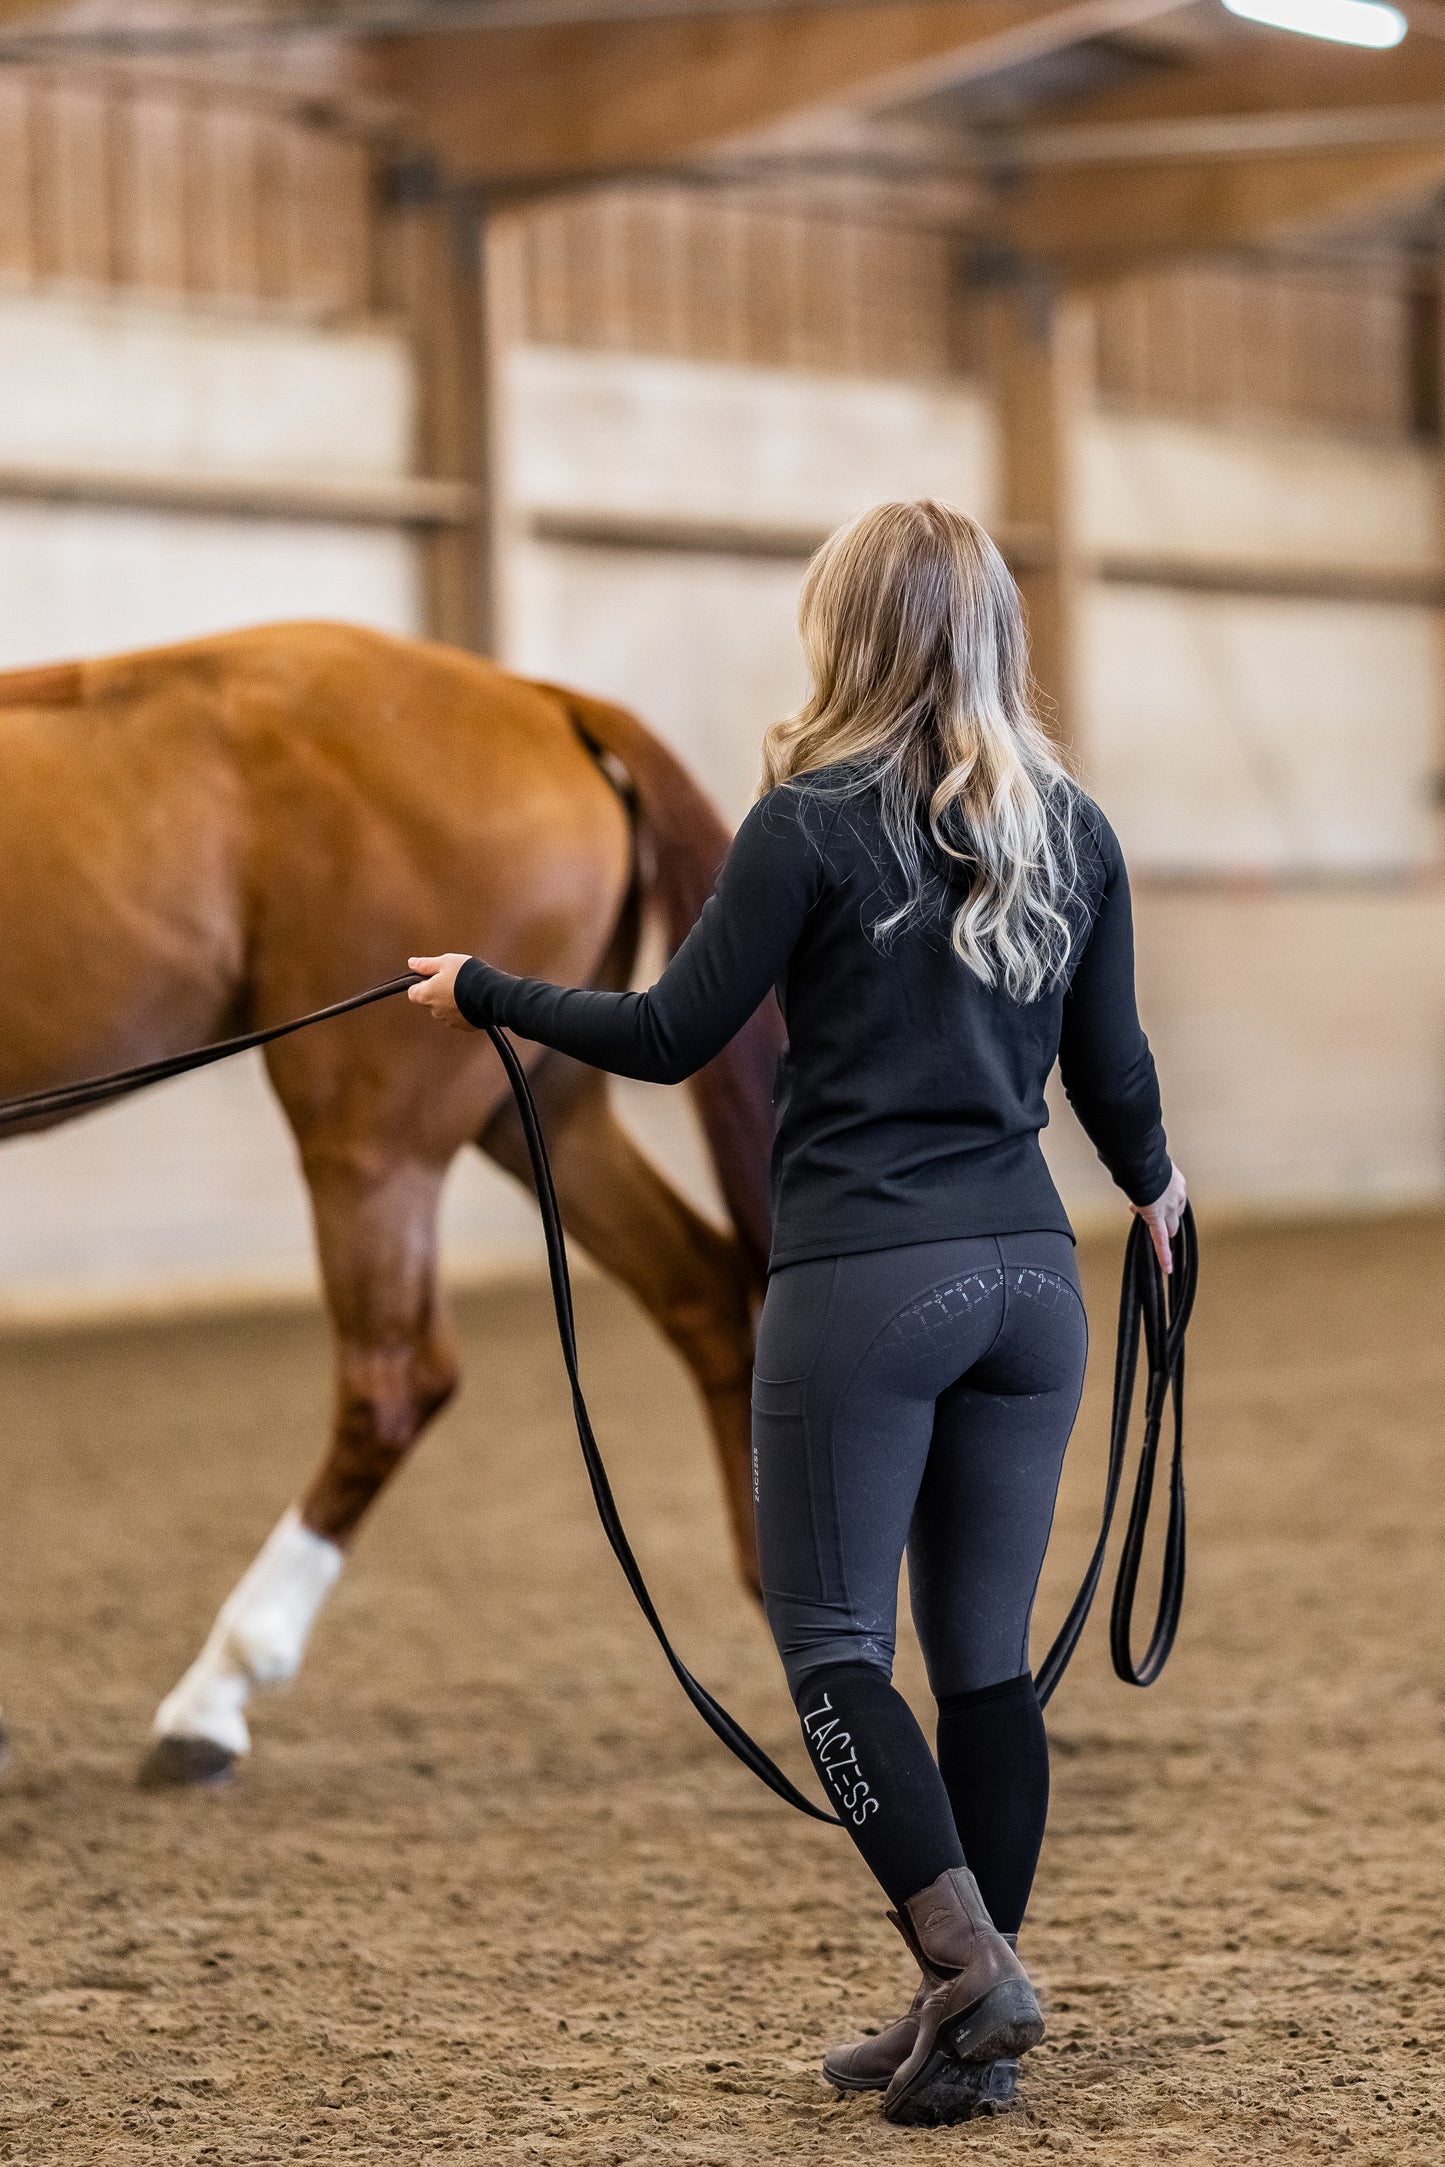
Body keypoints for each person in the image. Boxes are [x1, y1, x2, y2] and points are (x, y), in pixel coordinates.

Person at [408, 498, 1186, 2128]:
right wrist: (1161, 1194)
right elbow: (1112, 1075)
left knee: (830, 1652)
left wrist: (484, 991)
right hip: (1032, 1283)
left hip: (864, 1284)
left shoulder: (808, 822)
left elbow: (669, 1033)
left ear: (847, 632)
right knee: (981, 1670)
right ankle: (969, 2004)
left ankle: (969, 1972)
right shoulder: (1075, 827)